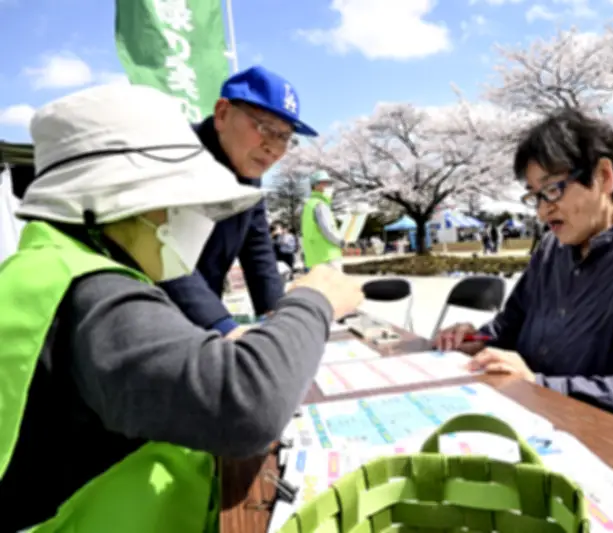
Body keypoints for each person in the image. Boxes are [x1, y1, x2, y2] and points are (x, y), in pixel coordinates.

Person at [0, 84, 364, 532]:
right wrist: (314, 300)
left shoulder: (47, 266)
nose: (198, 218)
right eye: (182, 201)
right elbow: (247, 407)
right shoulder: (95, 294)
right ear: (124, 200)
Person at [434, 109, 613, 456]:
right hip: (548, 428)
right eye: (535, 196)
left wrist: (540, 386)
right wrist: (474, 339)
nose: (543, 212)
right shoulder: (552, 250)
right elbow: (508, 326)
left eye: (553, 190)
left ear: (604, 176)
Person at [160, 66, 318, 339]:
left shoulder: (247, 171)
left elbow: (258, 247)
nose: (274, 149)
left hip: (202, 315)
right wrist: (223, 327)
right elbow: (161, 251)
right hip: (149, 319)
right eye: (265, 128)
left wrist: (276, 315)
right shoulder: (172, 156)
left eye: (284, 137)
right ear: (222, 114)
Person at [301, 170, 345, 270]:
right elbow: (327, 229)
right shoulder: (320, 204)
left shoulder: (309, 204)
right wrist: (340, 242)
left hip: (314, 255)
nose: (327, 185)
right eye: (323, 182)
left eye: (328, 183)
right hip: (328, 255)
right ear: (315, 186)